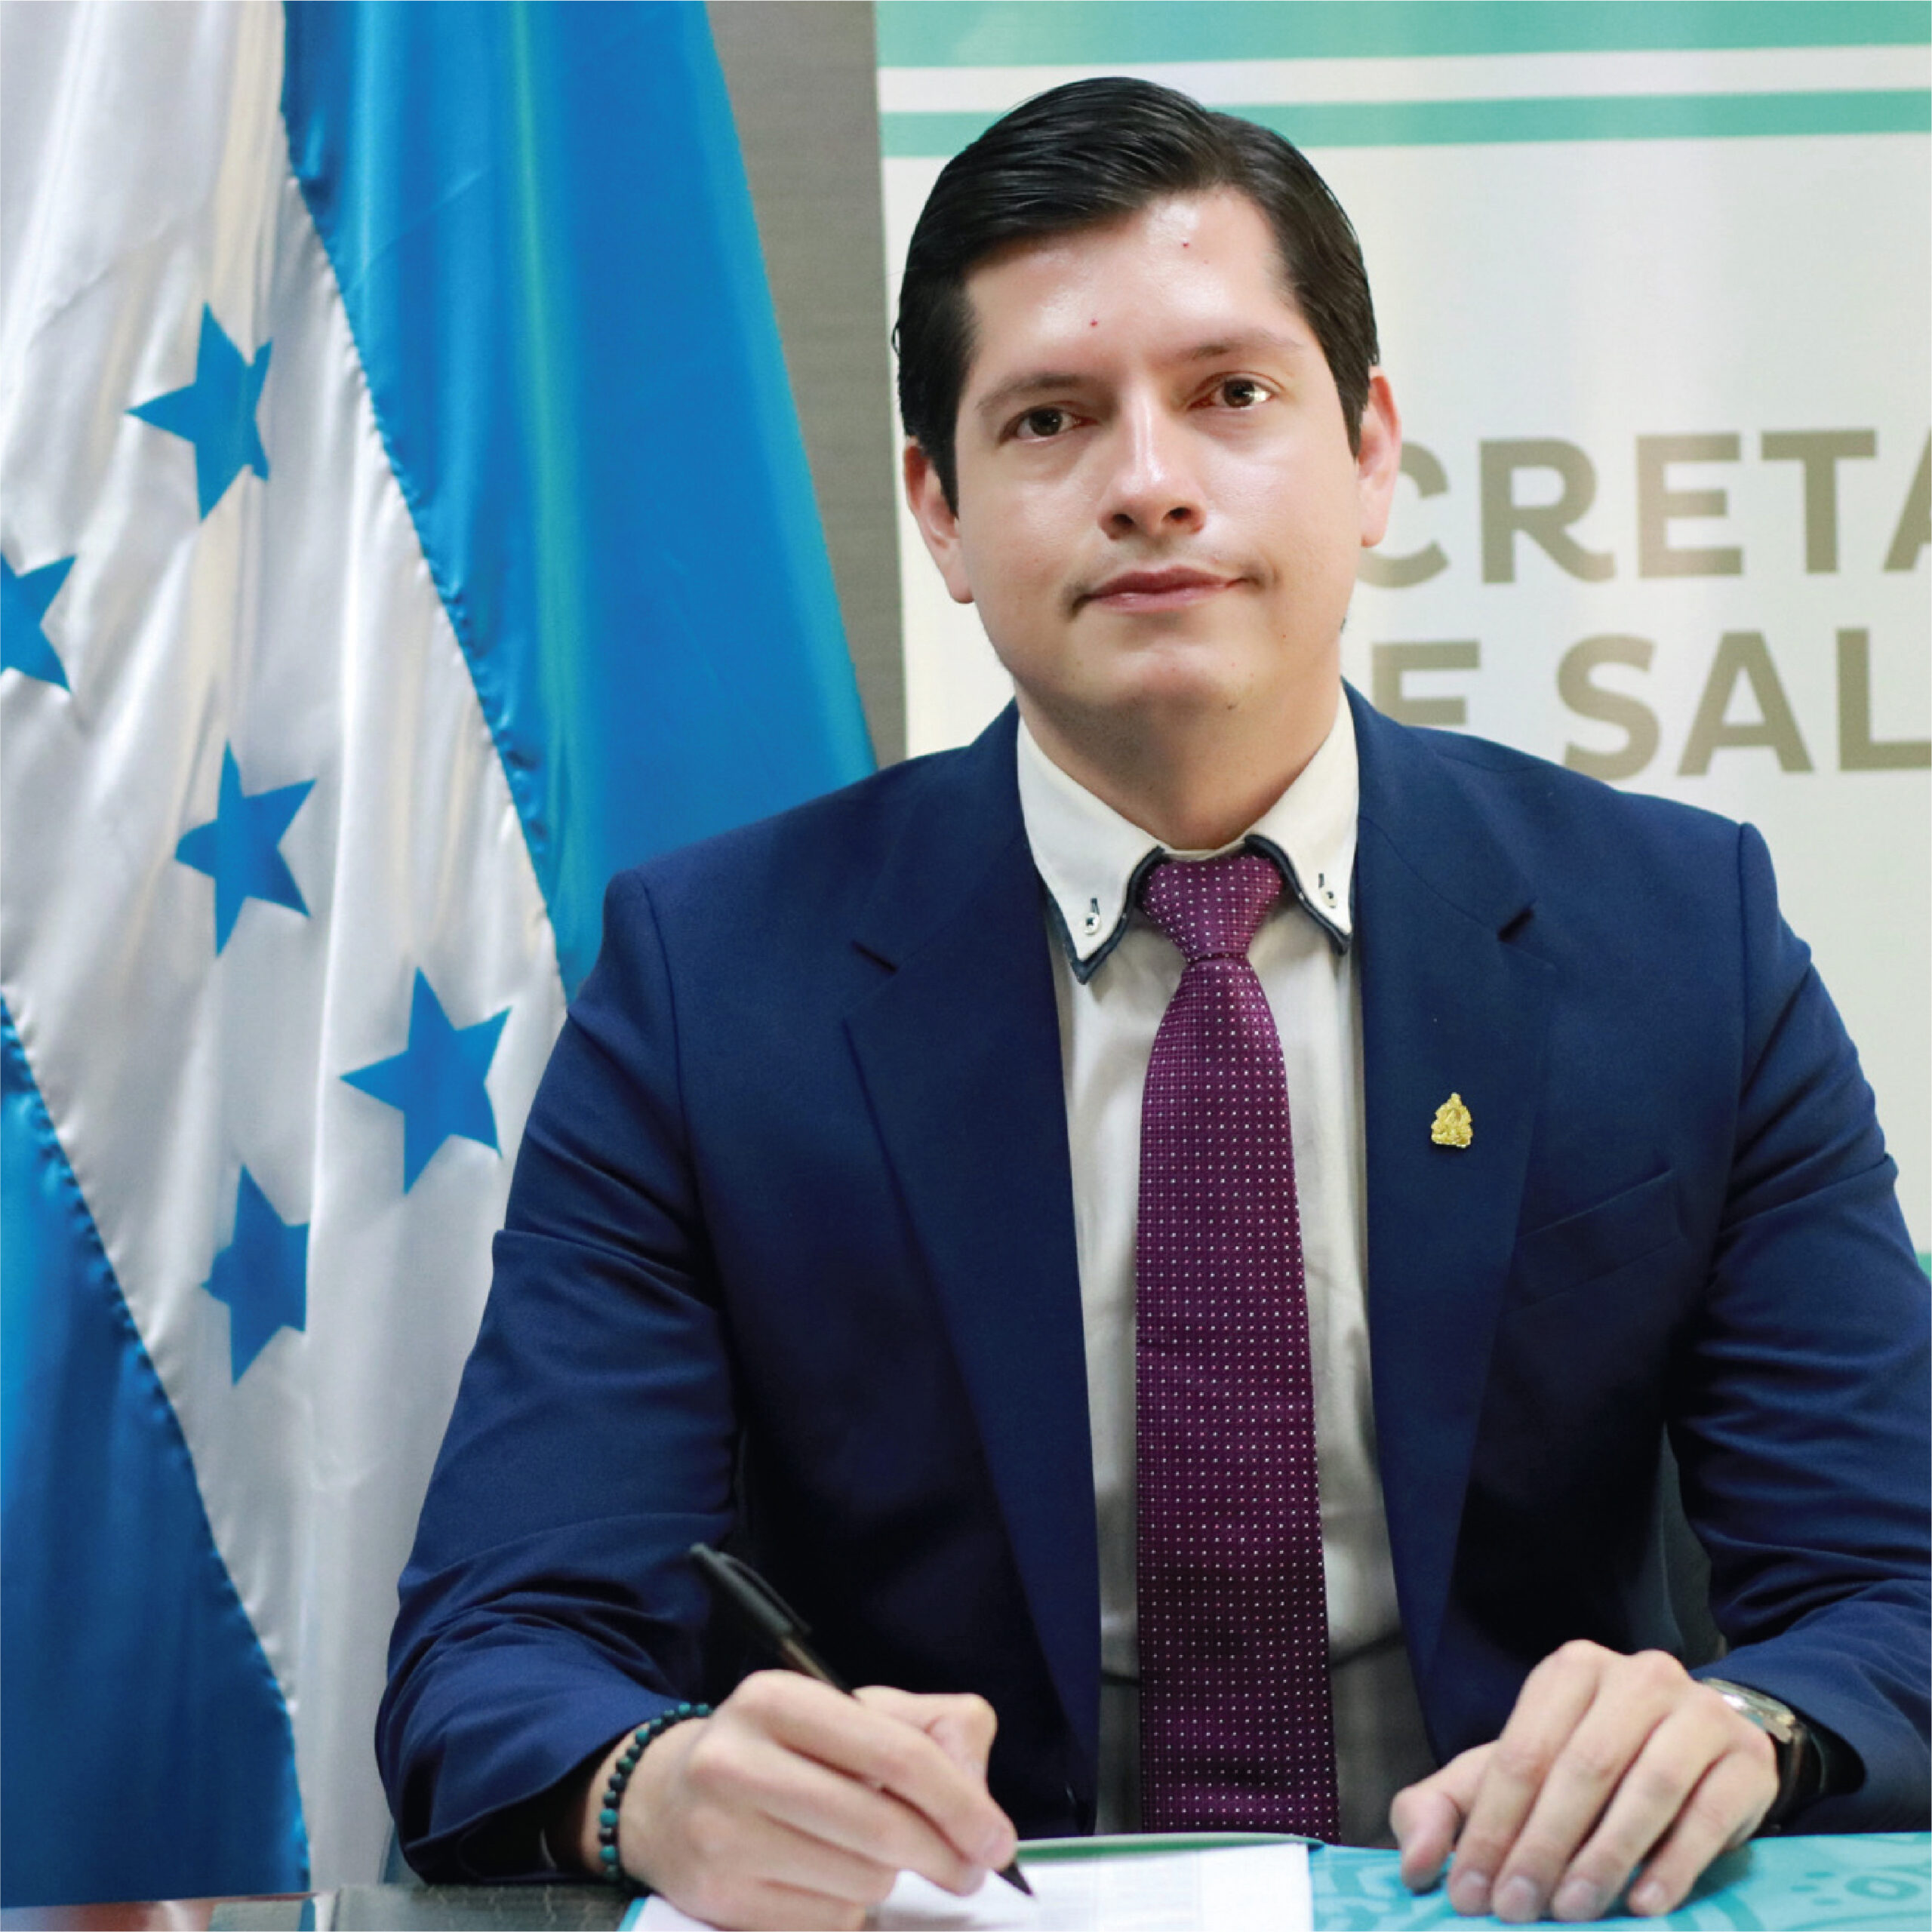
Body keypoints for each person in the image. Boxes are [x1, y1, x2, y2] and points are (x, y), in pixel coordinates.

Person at [377, 79, 1930, 1930]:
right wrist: (660, 1780)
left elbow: (1896, 1585)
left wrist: (1744, 1723)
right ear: (940, 513)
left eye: (1229, 394)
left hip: (1515, 1905)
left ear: (1367, 451)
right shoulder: (715, 982)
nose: (1146, 481)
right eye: (1048, 418)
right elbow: (494, 1650)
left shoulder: (1676, 934)